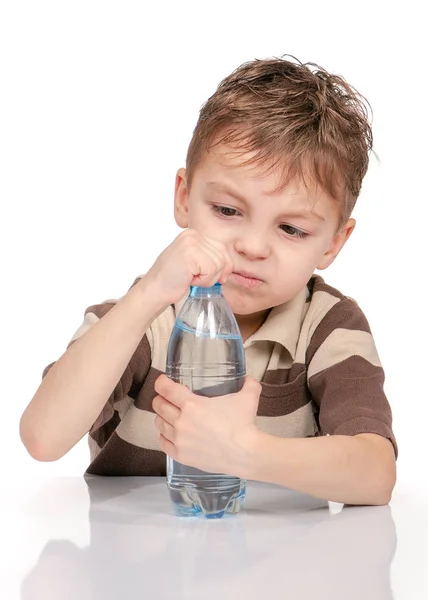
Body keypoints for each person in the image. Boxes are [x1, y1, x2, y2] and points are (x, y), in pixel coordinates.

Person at [20, 55, 397, 505]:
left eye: (292, 229)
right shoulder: (141, 317)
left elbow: (376, 475)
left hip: (283, 567)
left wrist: (249, 453)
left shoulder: (328, 325)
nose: (253, 247)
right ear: (184, 197)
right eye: (227, 210)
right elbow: (43, 438)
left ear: (334, 243)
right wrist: (148, 294)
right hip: (134, 566)